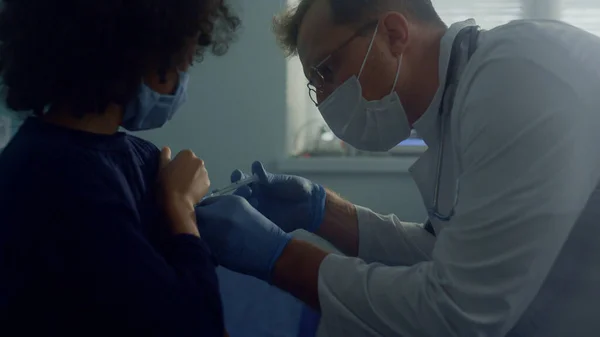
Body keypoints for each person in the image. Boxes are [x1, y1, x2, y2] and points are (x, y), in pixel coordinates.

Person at [194, 0, 600, 336]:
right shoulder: (453, 109)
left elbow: (457, 313)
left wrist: (279, 257)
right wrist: (322, 212)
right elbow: (446, 255)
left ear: (393, 33)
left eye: (327, 71)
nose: (322, 99)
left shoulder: (518, 76)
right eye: (313, 85)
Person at [0, 0, 239, 336]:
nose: (186, 66)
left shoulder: (136, 158)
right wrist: (181, 209)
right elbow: (195, 325)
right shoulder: (57, 179)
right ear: (150, 50)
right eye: (186, 53)